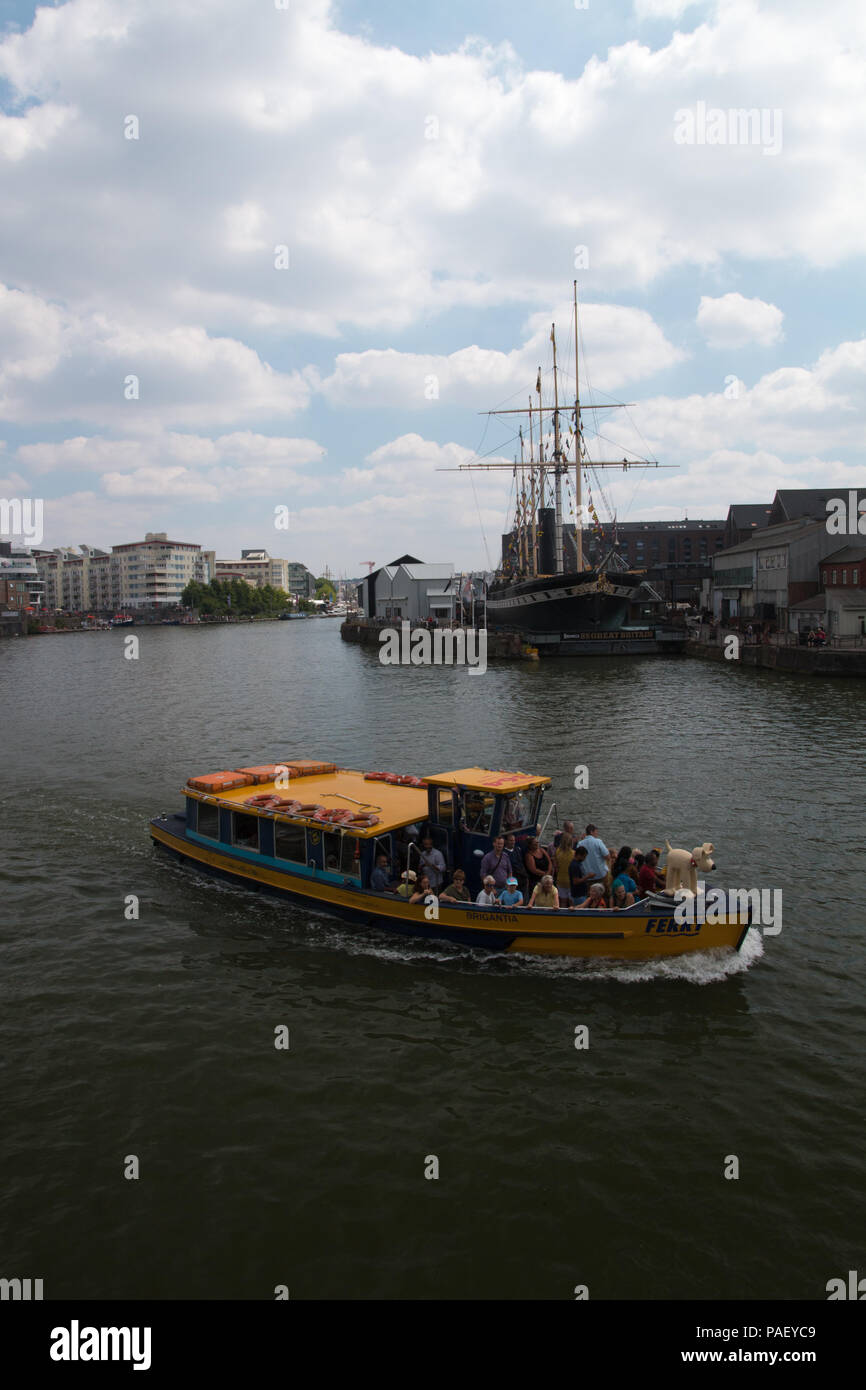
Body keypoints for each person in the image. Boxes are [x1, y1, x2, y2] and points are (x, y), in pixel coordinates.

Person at [553, 832, 575, 906]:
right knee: (571, 902)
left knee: (562, 902)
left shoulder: (558, 851)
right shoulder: (573, 854)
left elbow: (555, 866)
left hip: (560, 880)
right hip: (570, 881)